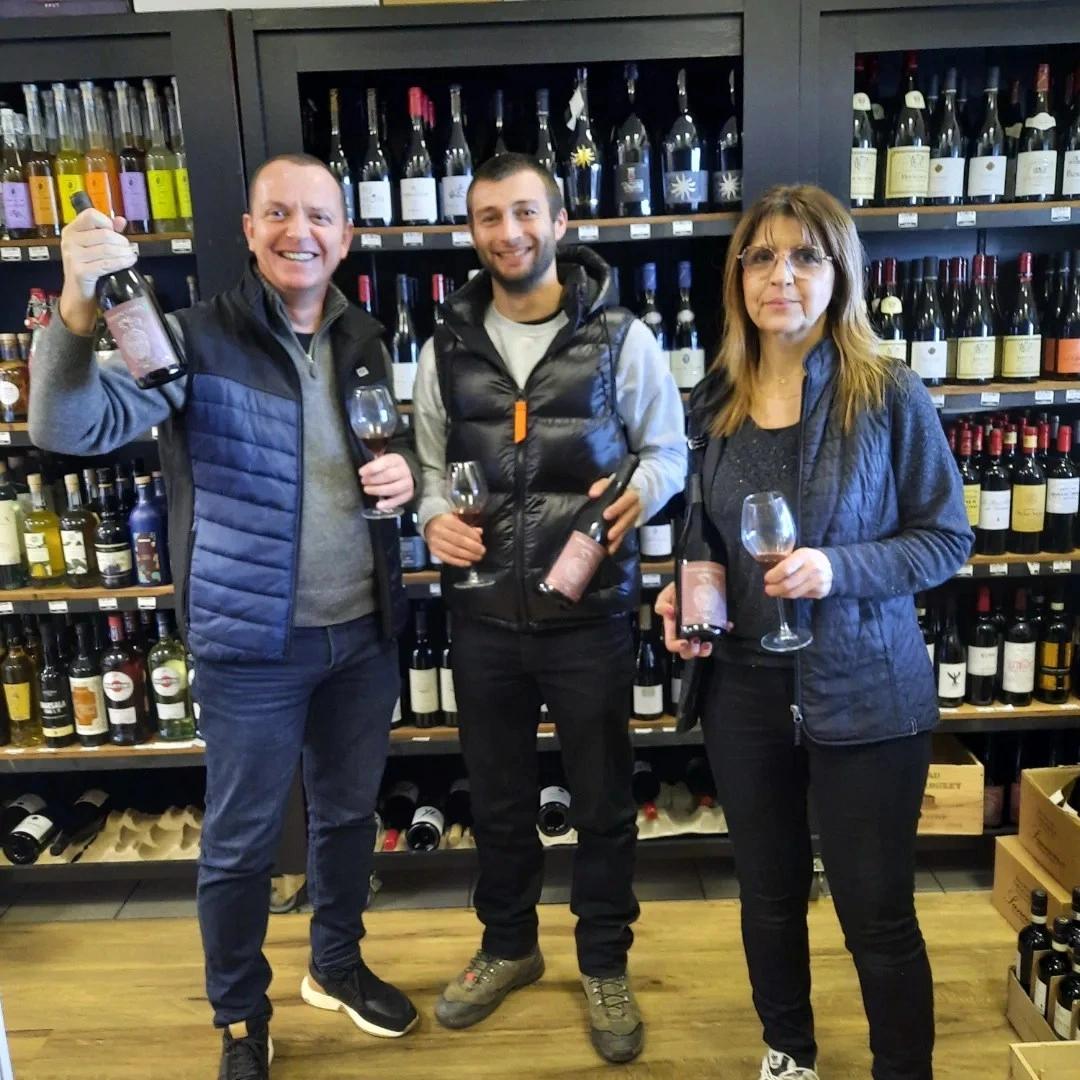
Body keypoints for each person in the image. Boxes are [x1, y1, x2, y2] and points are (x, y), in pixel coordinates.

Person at [29, 153, 420, 1079]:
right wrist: (76, 308)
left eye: (318, 216)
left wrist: (406, 477)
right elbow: (65, 427)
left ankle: (335, 964)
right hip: (252, 645)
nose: (299, 232)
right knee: (242, 844)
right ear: (249, 231)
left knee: (347, 818)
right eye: (277, 213)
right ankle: (242, 1019)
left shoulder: (364, 336)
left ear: (345, 237)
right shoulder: (189, 339)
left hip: (364, 630)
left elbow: (380, 451)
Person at [656, 184, 972, 1080]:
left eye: (804, 256)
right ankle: (787, 1053)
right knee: (768, 896)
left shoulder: (887, 393)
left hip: (866, 689)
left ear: (840, 274)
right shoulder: (714, 399)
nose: (780, 275)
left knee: (876, 913)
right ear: (738, 278)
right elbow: (704, 535)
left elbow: (945, 538)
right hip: (743, 688)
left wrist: (837, 570)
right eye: (760, 256)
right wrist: (685, 597)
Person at [411, 152, 685, 1064]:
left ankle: (603, 961)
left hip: (589, 615)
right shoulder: (445, 347)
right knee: (497, 801)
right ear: (472, 232)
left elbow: (669, 451)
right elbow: (425, 468)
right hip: (482, 616)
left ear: (560, 223)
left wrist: (643, 490)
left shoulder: (619, 337)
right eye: (489, 217)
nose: (509, 232)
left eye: (526, 212)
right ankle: (508, 947)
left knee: (603, 804)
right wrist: (431, 518)